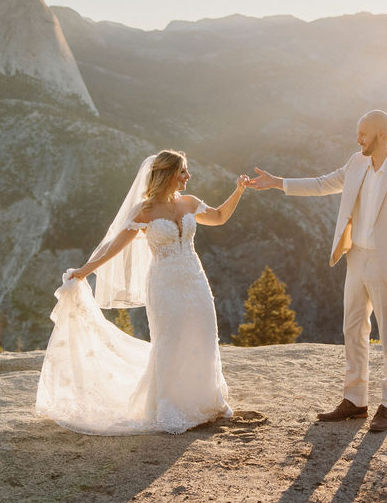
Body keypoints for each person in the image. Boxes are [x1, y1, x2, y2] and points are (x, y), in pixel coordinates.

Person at [247, 110, 387, 432]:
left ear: (380, 134)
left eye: (363, 133)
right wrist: (277, 183)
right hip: (357, 258)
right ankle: (355, 401)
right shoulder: (356, 163)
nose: (358, 139)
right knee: (353, 330)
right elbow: (323, 184)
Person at [36, 150, 249, 435]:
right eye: (183, 171)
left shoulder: (190, 202)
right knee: (170, 340)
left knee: (203, 334)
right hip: (164, 285)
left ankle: (206, 402)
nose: (188, 176)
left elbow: (220, 216)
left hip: (196, 281)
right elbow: (115, 247)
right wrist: (84, 271)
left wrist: (239, 190)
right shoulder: (145, 211)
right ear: (169, 174)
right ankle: (169, 407)